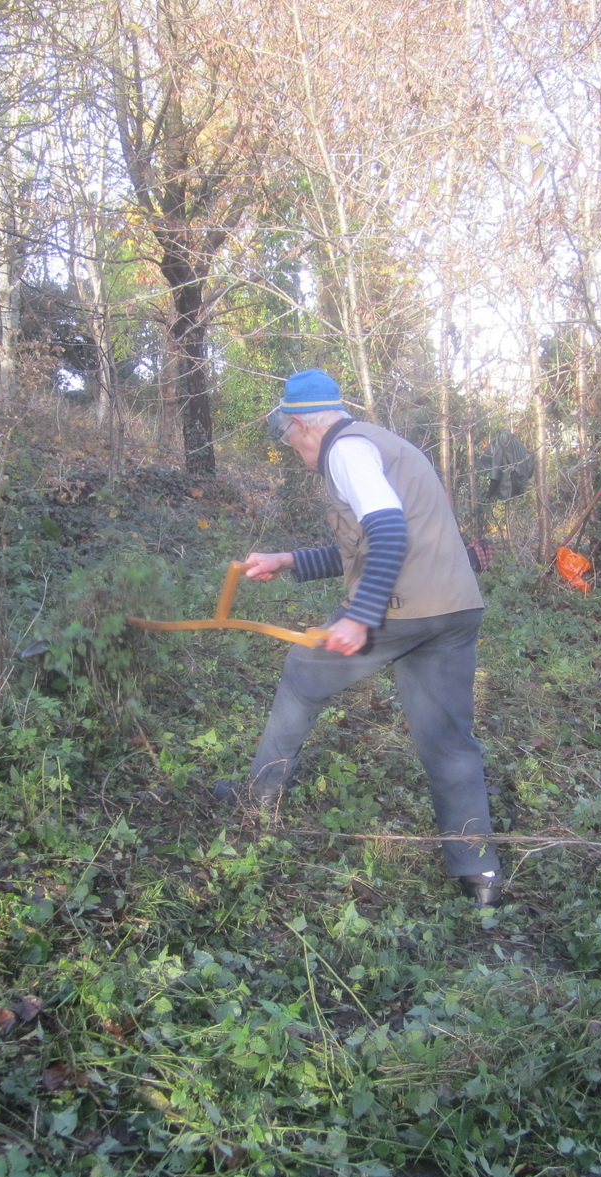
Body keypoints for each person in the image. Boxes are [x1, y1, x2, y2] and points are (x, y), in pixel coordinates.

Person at [215, 368, 504, 906]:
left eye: (289, 436)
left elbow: (389, 532)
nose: (293, 448)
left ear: (304, 424)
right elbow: (366, 543)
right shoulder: (378, 444)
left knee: (303, 675)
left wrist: (360, 616)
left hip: (400, 608)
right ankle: (479, 874)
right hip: (454, 608)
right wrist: (288, 560)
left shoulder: (345, 451)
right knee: (448, 741)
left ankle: (257, 799)